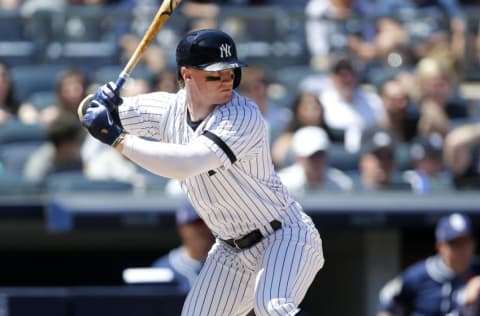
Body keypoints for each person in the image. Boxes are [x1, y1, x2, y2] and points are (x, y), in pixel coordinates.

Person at [79, 29, 325, 316]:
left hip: (283, 235)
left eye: (230, 72)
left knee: (273, 307)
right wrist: (96, 102)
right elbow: (89, 113)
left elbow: (185, 162)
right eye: (214, 74)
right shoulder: (166, 108)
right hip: (230, 249)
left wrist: (118, 139)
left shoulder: (241, 115)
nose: (226, 81)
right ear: (187, 74)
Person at [377, 212, 480, 316]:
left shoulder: (477, 270)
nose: (462, 250)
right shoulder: (420, 274)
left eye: (466, 242)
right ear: (440, 246)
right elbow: (388, 296)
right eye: (455, 244)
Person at [151, 202, 214, 294]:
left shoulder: (228, 263)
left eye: (206, 222)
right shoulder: (163, 267)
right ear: (182, 229)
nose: (202, 228)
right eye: (196, 223)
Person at [277, 126, 353, 195]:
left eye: (320, 155)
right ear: (298, 158)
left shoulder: (342, 184)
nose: (316, 161)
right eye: (310, 156)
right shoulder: (282, 185)